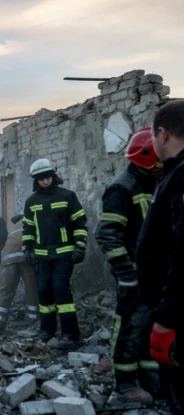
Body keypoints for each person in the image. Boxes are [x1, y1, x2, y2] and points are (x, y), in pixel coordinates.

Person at [95, 127, 160, 403]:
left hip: (156, 272)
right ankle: (125, 382)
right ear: (146, 158)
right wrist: (126, 275)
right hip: (134, 273)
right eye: (158, 159)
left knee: (151, 324)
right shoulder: (123, 187)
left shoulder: (157, 181)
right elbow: (107, 234)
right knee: (131, 325)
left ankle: (150, 377)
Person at [136, 100, 184, 413]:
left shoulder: (180, 177)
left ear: (162, 134)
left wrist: (166, 318)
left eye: (153, 136)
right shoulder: (173, 175)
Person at [22, 159, 88, 350]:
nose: (45, 181)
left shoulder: (67, 196)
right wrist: (27, 248)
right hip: (42, 256)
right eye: (41, 178)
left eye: (47, 177)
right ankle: (47, 330)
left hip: (64, 254)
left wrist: (80, 246)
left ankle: (70, 334)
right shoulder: (31, 201)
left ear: (53, 176)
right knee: (44, 293)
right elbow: (28, 227)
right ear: (36, 180)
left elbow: (80, 223)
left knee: (61, 290)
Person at [0, 214, 38, 335]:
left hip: (8, 258)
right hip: (27, 257)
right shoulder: (36, 219)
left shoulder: (16, 227)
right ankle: (32, 318)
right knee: (32, 289)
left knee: (3, 290)